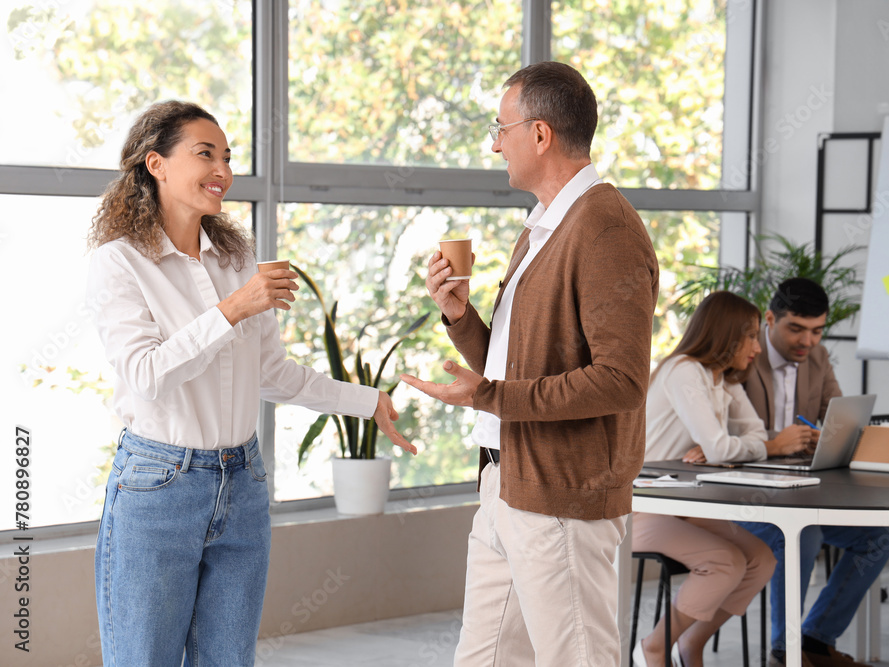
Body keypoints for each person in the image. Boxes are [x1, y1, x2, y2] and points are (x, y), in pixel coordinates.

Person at [86, 101, 415, 667]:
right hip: (158, 486)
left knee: (229, 660)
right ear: (155, 164)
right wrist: (234, 309)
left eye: (228, 157)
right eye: (205, 154)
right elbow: (146, 376)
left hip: (242, 482)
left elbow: (271, 374)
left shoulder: (236, 258)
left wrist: (368, 400)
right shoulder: (119, 263)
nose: (223, 170)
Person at [401, 62, 659, 666]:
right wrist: (461, 318)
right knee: (483, 660)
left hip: (562, 496)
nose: (495, 143)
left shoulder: (604, 228)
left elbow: (621, 381)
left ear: (539, 134)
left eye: (502, 128)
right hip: (505, 483)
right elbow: (517, 366)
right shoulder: (544, 226)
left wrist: (490, 397)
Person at [740, 277, 889, 667]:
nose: (807, 341)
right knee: (802, 536)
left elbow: (837, 419)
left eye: (816, 331)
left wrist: (829, 438)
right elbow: (726, 433)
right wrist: (782, 440)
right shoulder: (743, 355)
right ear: (770, 319)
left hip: (801, 486)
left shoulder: (818, 357)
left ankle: (814, 640)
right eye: (796, 328)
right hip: (743, 491)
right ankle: (784, 652)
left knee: (879, 535)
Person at [633, 291, 777, 667]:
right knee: (725, 561)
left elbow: (755, 437)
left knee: (760, 558)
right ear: (725, 334)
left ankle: (690, 644)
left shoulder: (723, 379)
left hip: (682, 501)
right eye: (750, 336)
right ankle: (655, 645)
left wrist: (723, 445)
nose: (757, 349)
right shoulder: (684, 371)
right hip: (641, 505)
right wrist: (720, 445)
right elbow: (721, 449)